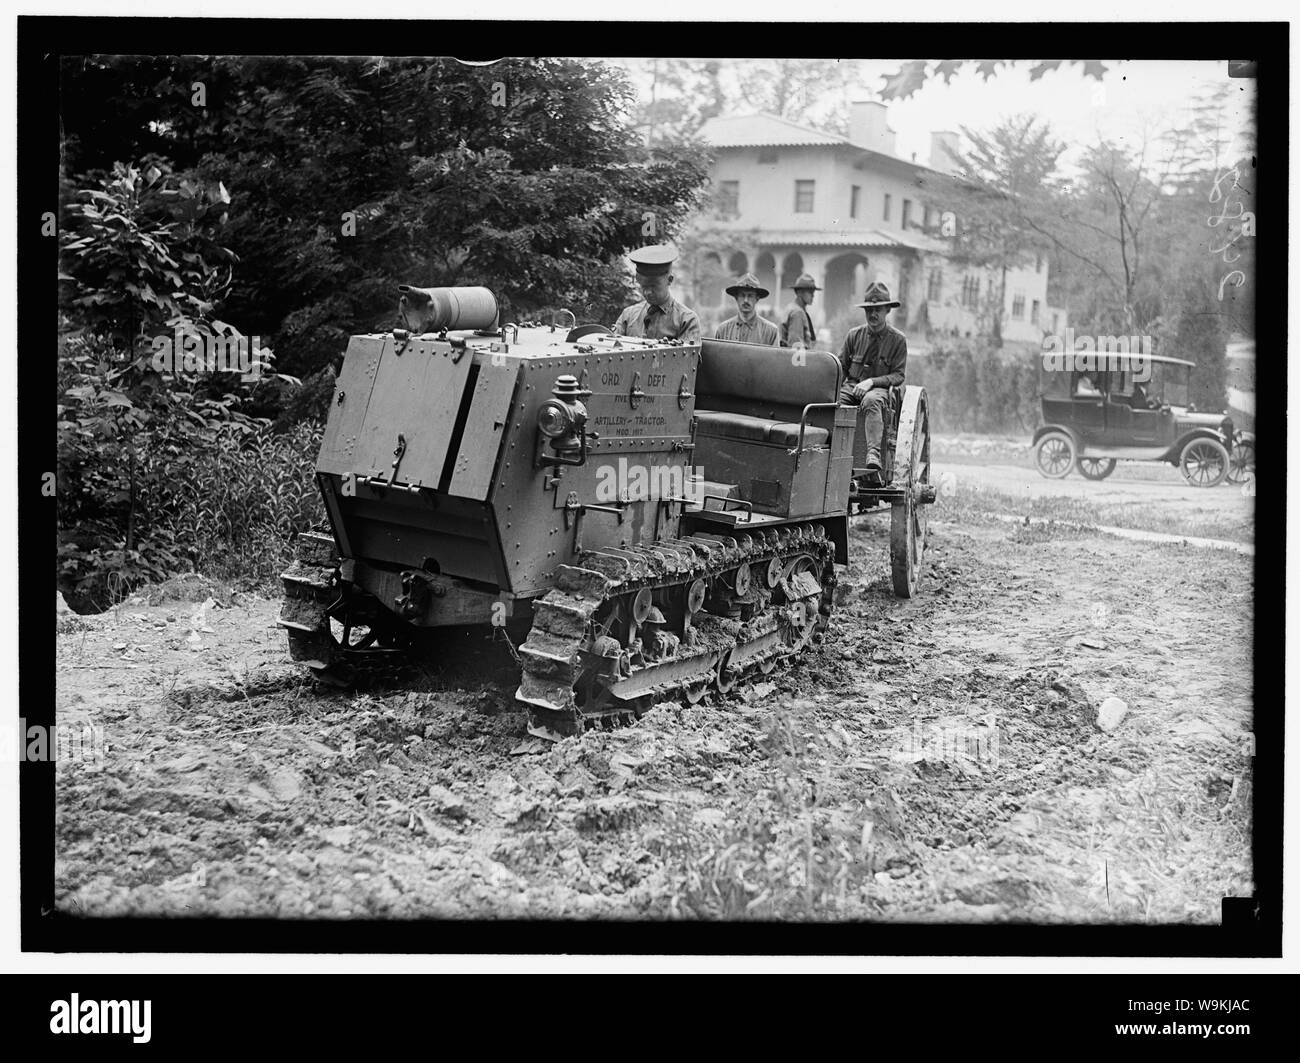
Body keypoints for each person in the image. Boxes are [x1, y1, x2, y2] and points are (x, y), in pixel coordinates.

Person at [838, 281, 908, 481]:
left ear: (887, 310)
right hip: (851, 387)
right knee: (835, 403)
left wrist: (872, 382)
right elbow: (841, 368)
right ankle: (831, 450)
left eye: (877, 309)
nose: (873, 314)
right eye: (869, 310)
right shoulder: (854, 335)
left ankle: (873, 455)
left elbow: (898, 375)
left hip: (878, 391)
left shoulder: (898, 340)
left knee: (871, 401)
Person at [611, 244, 701, 342]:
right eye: (643, 286)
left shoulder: (686, 320)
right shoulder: (628, 316)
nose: (647, 292)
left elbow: (689, 355)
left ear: (670, 280)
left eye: (653, 286)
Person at [713, 273, 779, 344]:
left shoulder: (770, 331)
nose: (746, 300)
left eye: (750, 296)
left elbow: (775, 355)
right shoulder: (723, 330)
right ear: (736, 298)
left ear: (757, 298)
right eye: (742, 295)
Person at [779, 273, 820, 348]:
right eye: (810, 292)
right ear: (799, 292)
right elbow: (795, 346)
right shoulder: (797, 313)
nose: (813, 295)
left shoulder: (792, 308)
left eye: (813, 292)